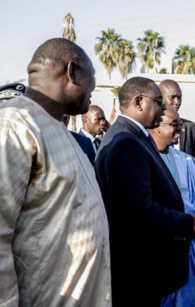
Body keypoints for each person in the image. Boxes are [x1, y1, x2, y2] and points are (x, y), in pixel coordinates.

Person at [0, 38, 111, 306]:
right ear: (72, 72)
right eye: (91, 82)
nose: (92, 93)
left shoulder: (59, 128)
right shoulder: (14, 124)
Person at [94, 76, 195, 306]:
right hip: (138, 271)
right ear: (138, 102)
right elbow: (139, 211)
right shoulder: (126, 141)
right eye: (159, 101)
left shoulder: (130, 135)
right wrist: (188, 223)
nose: (165, 108)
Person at [149, 107, 195, 307]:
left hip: (188, 248)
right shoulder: (144, 158)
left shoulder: (187, 162)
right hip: (157, 252)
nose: (180, 130)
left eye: (180, 125)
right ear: (157, 126)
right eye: (174, 125)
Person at [159, 79, 195, 165]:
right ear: (161, 98)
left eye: (179, 97)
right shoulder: (151, 127)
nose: (177, 102)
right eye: (172, 97)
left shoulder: (191, 128)